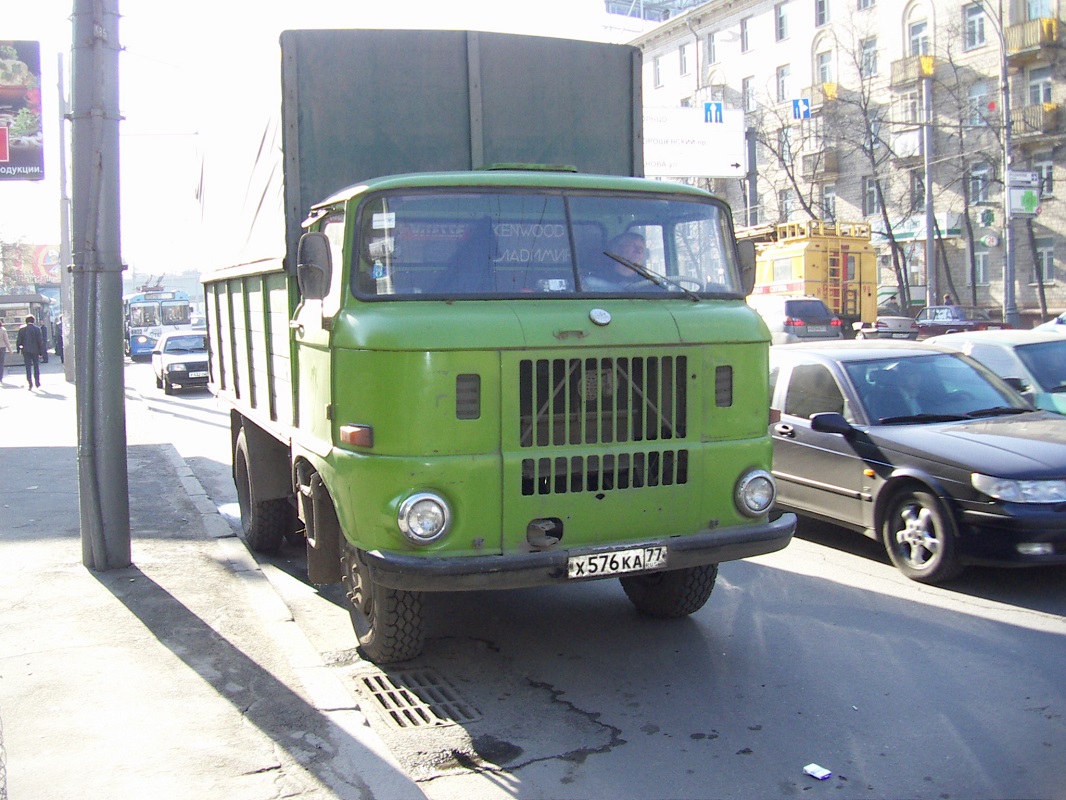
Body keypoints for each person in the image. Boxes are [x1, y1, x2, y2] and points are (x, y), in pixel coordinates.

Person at [16, 315, 45, 390]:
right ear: (33, 321)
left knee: (28, 367)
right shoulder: (37, 329)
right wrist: (41, 352)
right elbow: (40, 341)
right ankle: (37, 382)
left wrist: (18, 349)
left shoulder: (22, 329)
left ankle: (30, 383)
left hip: (26, 351)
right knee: (36, 366)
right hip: (35, 351)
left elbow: (19, 340)